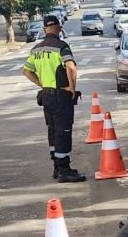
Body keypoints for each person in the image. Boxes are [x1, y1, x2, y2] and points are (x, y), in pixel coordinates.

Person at [22, 14, 86, 183]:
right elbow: (71, 68)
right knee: (63, 131)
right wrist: (72, 88)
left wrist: (42, 84)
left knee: (52, 130)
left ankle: (57, 167)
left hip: (46, 96)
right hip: (60, 96)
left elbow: (26, 71)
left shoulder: (36, 49)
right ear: (58, 28)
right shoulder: (61, 46)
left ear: (44, 29)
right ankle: (64, 169)